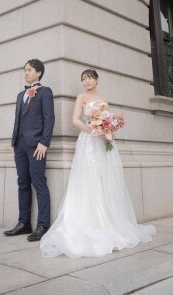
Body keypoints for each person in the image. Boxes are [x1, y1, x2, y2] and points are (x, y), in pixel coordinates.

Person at [40, 68, 155, 258]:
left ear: (97, 80)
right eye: (84, 79)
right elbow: (75, 120)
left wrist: (108, 130)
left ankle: (108, 223)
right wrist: (91, 130)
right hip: (87, 142)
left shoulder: (104, 100)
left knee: (105, 180)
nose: (87, 81)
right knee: (88, 179)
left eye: (90, 78)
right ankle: (88, 224)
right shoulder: (81, 98)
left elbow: (106, 121)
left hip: (103, 144)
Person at [4, 59, 55, 242]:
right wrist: (13, 142)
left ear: (39, 73)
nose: (26, 72)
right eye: (24, 70)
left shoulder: (45, 93)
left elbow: (49, 119)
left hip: (36, 146)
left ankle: (43, 225)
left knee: (39, 183)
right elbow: (17, 120)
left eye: (29, 70)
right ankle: (23, 223)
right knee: (22, 183)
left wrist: (44, 143)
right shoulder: (20, 95)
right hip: (20, 145)